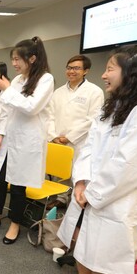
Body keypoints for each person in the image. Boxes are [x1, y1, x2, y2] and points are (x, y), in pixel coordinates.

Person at [56, 43, 137, 274]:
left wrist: (94, 192)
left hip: (117, 198)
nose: (103, 75)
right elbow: (88, 146)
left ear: (131, 72)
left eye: (110, 68)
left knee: (104, 252)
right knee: (84, 243)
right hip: (90, 190)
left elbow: (128, 164)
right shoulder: (113, 104)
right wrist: (81, 181)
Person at [0, 36, 54, 245]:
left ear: (32, 59)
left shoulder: (45, 79)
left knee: (18, 187)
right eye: (13, 59)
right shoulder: (18, 81)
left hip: (28, 141)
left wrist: (8, 89)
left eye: (18, 59)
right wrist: (0, 132)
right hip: (10, 138)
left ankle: (15, 224)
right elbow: (6, 111)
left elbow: (31, 108)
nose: (14, 64)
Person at [46, 55, 104, 209]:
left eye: (76, 68)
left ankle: (76, 201)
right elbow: (49, 115)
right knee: (60, 172)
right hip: (57, 139)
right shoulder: (57, 92)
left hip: (80, 141)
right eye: (69, 68)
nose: (71, 71)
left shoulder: (94, 91)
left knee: (78, 173)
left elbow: (93, 119)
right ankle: (61, 198)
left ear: (86, 71)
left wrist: (69, 137)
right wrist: (54, 136)